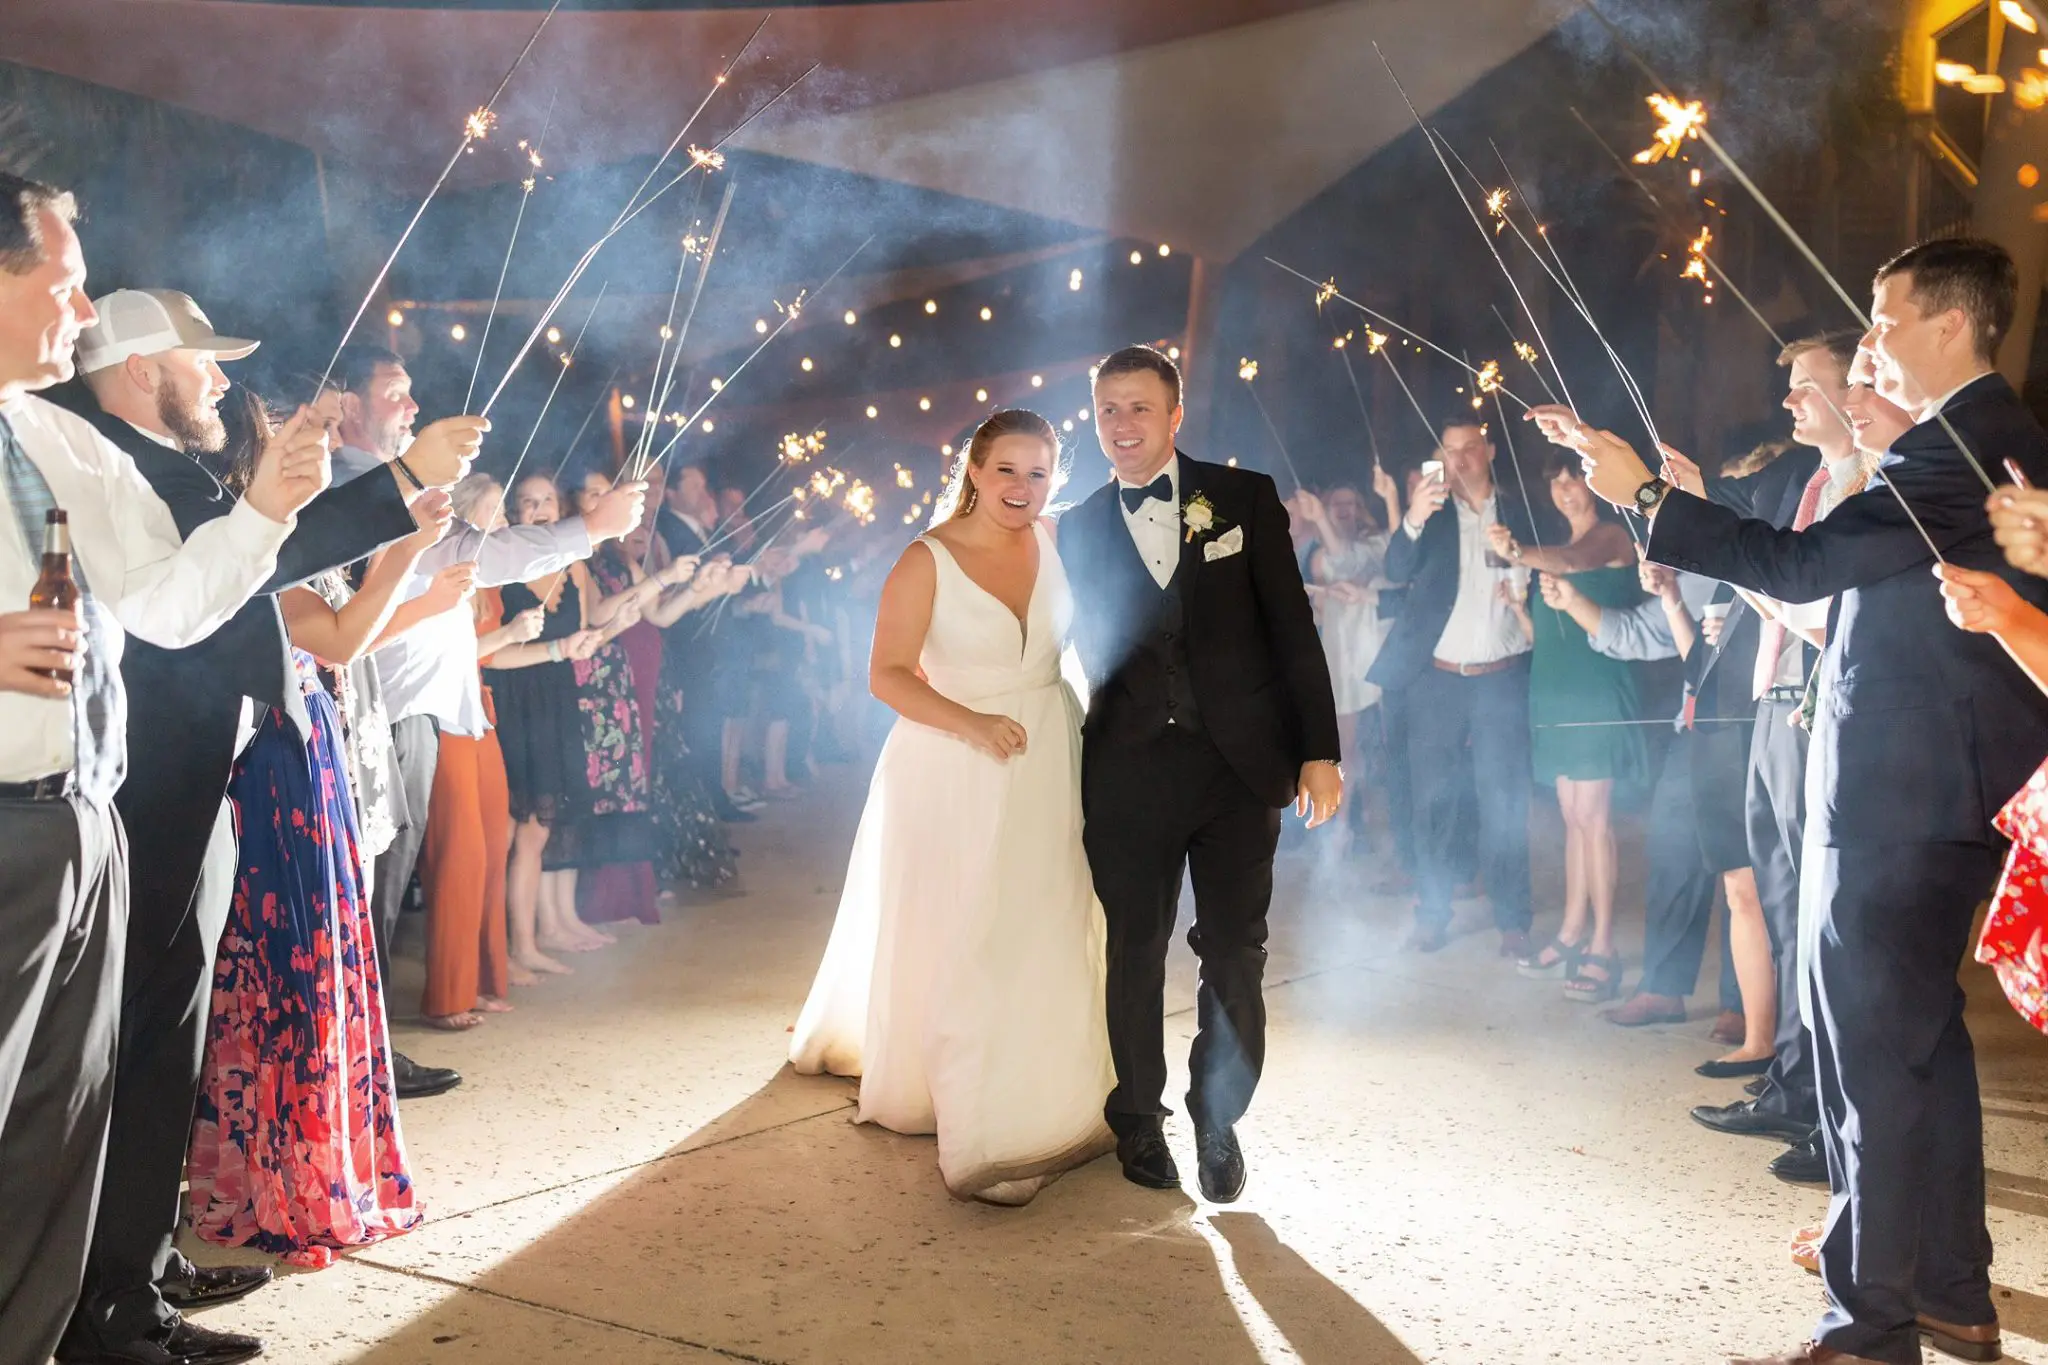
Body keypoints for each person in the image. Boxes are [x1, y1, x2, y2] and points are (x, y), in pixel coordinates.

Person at [1556, 237, 2048, 1365]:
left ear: (1946, 324)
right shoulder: (1970, 442)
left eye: (1882, 317)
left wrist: (1642, 497)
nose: (1868, 342)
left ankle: (1864, 1326)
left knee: (1871, 1053)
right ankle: (1948, 1293)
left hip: (1898, 791)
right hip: (1934, 788)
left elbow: (1789, 568)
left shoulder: (1959, 451)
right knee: (1918, 1047)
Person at [54, 293, 469, 1365]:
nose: (228, 385)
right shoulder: (114, 456)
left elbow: (259, 554)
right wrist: (404, 480)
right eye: (209, 365)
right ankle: (109, 1306)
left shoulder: (157, 456)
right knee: (133, 1040)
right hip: (151, 782)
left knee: (168, 1042)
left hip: (204, 771)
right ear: (147, 367)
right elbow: (253, 566)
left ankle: (141, 1261)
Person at [0, 172, 322, 1365]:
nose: (81, 311)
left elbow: (169, 609)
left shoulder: (51, 434)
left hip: (84, 822)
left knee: (55, 1139)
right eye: (66, 280)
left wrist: (269, 514)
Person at [789, 409, 1116, 1206]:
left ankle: (1049, 1083)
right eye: (1007, 469)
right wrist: (972, 723)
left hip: (1051, 751)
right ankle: (981, 1112)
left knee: (1045, 915)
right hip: (951, 761)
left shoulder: (1061, 543)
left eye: (1039, 473)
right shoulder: (924, 559)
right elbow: (888, 674)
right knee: (967, 924)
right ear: (974, 469)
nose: (1022, 487)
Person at [1060, 346, 1341, 1202]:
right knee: (1135, 951)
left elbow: (1293, 629)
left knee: (1235, 952)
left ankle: (1218, 1117)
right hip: (1128, 769)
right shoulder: (1074, 523)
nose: (1122, 426)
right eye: (1108, 409)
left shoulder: (1244, 497)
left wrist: (1318, 750)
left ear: (1176, 415)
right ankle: (1138, 1119)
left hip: (1237, 767)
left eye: (1139, 408)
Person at [327, 346, 644, 1082]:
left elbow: (491, 554)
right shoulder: (351, 489)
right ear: (348, 406)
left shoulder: (399, 493)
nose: (411, 407)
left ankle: (365, 1047)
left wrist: (589, 530)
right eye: (395, 392)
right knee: (370, 882)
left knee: (385, 881)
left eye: (411, 393)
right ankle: (355, 1054)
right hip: (379, 707)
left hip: (420, 711)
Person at [184, 395, 449, 1269]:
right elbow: (333, 641)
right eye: (304, 443)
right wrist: (404, 551)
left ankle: (320, 1167)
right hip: (273, 767)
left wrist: (405, 556)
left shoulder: (294, 546)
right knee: (285, 971)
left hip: (314, 756)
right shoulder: (255, 544)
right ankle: (283, 1182)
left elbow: (349, 640)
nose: (326, 452)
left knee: (324, 961)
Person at [1675, 332, 1870, 1182]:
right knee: (1784, 902)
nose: (1788, 402)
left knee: (1813, 912)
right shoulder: (1811, 480)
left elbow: (1808, 601)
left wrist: (1724, 552)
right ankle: (1790, 1081)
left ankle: (1821, 1098)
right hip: (1772, 701)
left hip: (1811, 706)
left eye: (1805, 386)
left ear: (1848, 393)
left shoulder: (1863, 484)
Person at [1549, 558, 1761, 1048]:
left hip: (1750, 734)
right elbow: (1632, 634)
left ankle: (1742, 1003)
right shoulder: (1695, 575)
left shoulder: (1764, 563)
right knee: (1671, 856)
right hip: (1693, 732)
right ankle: (1663, 988)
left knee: (1742, 873)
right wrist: (1575, 598)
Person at [1369, 418, 1539, 956]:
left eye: (1470, 449)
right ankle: (1433, 911)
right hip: (1438, 679)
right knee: (1434, 802)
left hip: (1502, 676)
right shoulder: (1435, 516)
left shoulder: (1521, 510)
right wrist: (1414, 515)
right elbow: (1395, 568)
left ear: (1490, 450)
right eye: (1451, 451)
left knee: (1504, 800)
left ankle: (1513, 920)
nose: (1461, 459)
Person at [1491, 454, 1644, 1001]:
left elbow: (1575, 562)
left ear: (1595, 483)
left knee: (1595, 819)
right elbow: (1548, 631)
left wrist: (1517, 552)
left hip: (1596, 690)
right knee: (1573, 816)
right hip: (1554, 689)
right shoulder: (1556, 552)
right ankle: (1572, 932)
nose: (1563, 490)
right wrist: (1520, 609)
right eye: (1555, 481)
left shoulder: (1608, 538)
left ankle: (1605, 946)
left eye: (1572, 478)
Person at [487, 473, 641, 970]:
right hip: (513, 699)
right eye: (527, 503)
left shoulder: (573, 565)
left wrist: (620, 619)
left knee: (541, 828)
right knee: (515, 831)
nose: (539, 509)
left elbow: (585, 631)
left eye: (547, 500)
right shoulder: (501, 564)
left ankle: (538, 935)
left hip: (556, 696)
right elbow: (494, 648)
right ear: (515, 514)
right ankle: (514, 947)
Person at [1298, 480, 1394, 851]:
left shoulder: (1376, 543)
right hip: (1342, 656)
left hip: (1379, 651)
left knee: (1387, 741)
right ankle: (1341, 826)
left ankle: (1377, 820)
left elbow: (1355, 564)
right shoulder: (1319, 553)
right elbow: (1333, 567)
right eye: (1336, 502)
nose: (1344, 509)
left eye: (1351, 501)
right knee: (1346, 748)